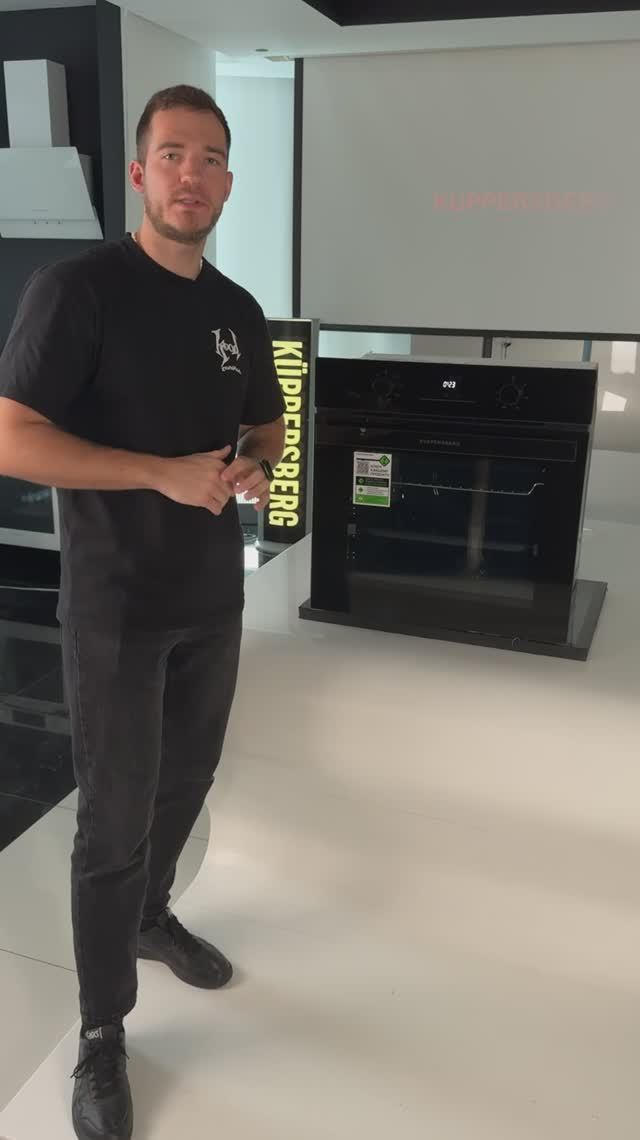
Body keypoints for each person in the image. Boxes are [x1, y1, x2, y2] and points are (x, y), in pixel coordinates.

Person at [0, 85, 285, 1140]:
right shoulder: (78, 290)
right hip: (115, 606)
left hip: (212, 597)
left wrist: (253, 466)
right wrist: (158, 472)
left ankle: (154, 917)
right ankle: (100, 1032)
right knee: (111, 821)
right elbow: (12, 436)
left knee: (186, 783)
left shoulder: (238, 310)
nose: (191, 174)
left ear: (227, 181)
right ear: (139, 173)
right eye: (172, 154)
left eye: (210, 157)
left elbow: (267, 427)